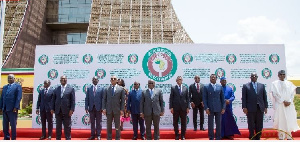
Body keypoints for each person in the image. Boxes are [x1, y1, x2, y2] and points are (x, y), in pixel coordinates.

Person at [269, 70, 300, 140]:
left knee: (289, 119)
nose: (282, 76)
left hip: (289, 105)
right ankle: (281, 136)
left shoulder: (289, 83)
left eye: (283, 74)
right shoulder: (274, 84)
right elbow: (274, 94)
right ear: (278, 75)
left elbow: (292, 94)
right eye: (281, 74)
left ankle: (289, 135)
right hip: (280, 105)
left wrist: (289, 101)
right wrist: (283, 101)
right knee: (281, 120)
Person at [242, 73, 268, 140]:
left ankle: (258, 137)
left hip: (260, 108)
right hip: (250, 108)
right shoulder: (246, 86)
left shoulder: (261, 86)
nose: (254, 77)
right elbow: (244, 97)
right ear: (250, 77)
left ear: (257, 77)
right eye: (252, 76)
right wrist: (244, 107)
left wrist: (266, 107)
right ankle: (252, 136)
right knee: (251, 124)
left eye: (255, 76)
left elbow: (264, 97)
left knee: (259, 124)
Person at [51, 75, 75, 140]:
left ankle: (68, 139)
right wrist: (52, 108)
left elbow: (73, 100)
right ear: (60, 80)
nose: (63, 80)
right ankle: (58, 139)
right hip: (58, 111)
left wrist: (72, 109)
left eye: (64, 79)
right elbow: (53, 100)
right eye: (62, 79)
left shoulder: (71, 88)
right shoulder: (56, 89)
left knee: (67, 127)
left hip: (67, 111)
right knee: (58, 127)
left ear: (66, 80)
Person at [203, 74, 225, 140]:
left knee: (218, 124)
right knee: (210, 124)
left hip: (218, 108)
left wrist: (223, 108)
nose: (213, 78)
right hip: (210, 109)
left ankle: (218, 137)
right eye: (211, 77)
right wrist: (206, 108)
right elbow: (204, 98)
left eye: (214, 77)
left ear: (216, 79)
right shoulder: (206, 87)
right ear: (210, 78)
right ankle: (211, 137)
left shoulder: (220, 87)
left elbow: (222, 98)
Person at [102, 75, 125, 140]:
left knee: (117, 126)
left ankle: (117, 138)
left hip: (117, 110)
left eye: (114, 78)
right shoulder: (106, 89)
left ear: (117, 80)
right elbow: (104, 99)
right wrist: (104, 108)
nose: (113, 80)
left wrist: (122, 109)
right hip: (109, 110)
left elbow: (123, 100)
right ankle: (109, 138)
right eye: (111, 79)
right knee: (109, 125)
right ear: (110, 80)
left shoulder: (121, 89)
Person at [0, 74, 22, 140]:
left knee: (13, 125)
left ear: (14, 79)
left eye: (11, 78)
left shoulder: (17, 86)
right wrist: (1, 107)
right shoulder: (5, 87)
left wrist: (16, 107)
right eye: (8, 78)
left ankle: (13, 138)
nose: (9, 79)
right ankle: (6, 137)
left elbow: (19, 97)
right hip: (5, 108)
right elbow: (2, 98)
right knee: (5, 125)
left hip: (13, 109)